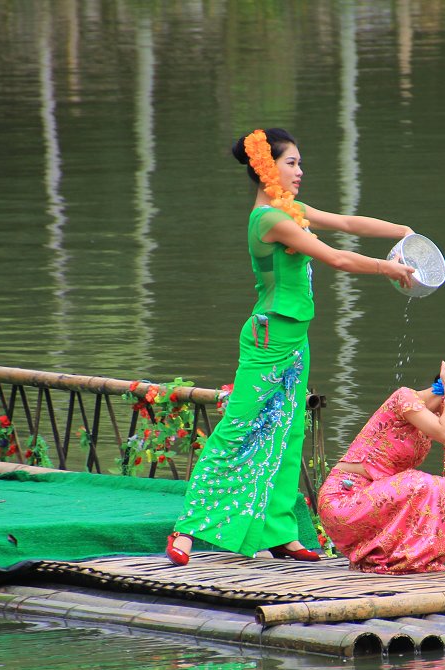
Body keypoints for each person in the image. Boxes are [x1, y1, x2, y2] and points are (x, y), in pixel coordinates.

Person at [166, 128, 415, 566]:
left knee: (287, 433)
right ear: (267, 168)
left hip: (295, 339)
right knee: (238, 428)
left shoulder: (291, 210)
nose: (300, 171)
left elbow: (347, 224)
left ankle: (279, 533)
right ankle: (186, 529)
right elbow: (335, 256)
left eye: (300, 163)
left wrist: (404, 232)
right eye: (291, 163)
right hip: (267, 340)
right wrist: (388, 269)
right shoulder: (268, 220)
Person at [317, 345, 445, 574]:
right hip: (343, 500)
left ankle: (413, 561)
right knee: (426, 484)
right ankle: (403, 561)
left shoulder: (434, 417)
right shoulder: (406, 399)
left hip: (374, 501)